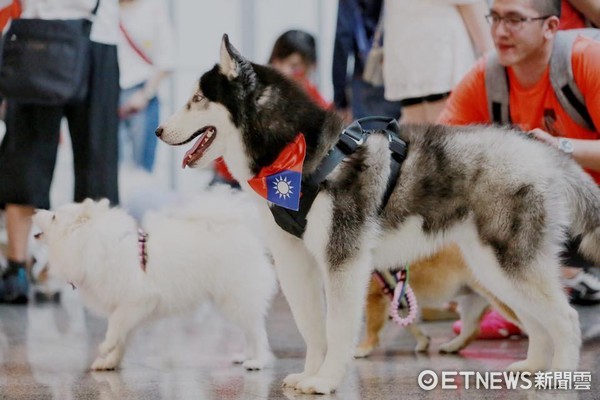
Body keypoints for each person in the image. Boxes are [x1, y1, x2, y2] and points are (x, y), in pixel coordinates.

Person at [438, 0, 600, 305]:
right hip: (552, 212)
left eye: (515, 20)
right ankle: (522, 311)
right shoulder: (485, 77)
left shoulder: (587, 60)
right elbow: (440, 156)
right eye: (495, 18)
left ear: (551, 26)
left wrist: (561, 148)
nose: (500, 31)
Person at [0, 0, 120, 304]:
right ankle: (17, 268)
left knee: (97, 162)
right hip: (36, 36)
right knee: (24, 158)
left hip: (97, 40)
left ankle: (99, 269)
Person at [212, 29, 329, 186]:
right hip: (236, 182)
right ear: (275, 62)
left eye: (306, 68)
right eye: (293, 65)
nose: (299, 74)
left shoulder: (314, 99)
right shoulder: (251, 94)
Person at [383, 0, 493, 123]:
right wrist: (492, 53)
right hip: (441, 57)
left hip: (406, 53)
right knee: (449, 131)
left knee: (416, 131)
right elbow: (471, 4)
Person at [117, 0, 174, 172]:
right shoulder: (107, 9)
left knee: (142, 168)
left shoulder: (152, 7)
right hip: (109, 91)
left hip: (142, 91)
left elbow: (167, 58)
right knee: (111, 168)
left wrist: (145, 94)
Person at [332, 0, 401, 123]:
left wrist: (340, 100)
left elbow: (342, 39)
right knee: (400, 135)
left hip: (365, 75)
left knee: (368, 135)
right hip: (399, 75)